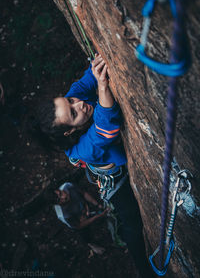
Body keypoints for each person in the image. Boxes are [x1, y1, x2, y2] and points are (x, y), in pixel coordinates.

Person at [35, 54, 154, 277]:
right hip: (116, 185)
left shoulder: (74, 100)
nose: (78, 104)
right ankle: (144, 270)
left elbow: (84, 81)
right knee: (134, 226)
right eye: (73, 112)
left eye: (68, 101)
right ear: (69, 131)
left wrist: (98, 65)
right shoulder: (81, 149)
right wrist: (102, 88)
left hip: (111, 164)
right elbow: (105, 127)